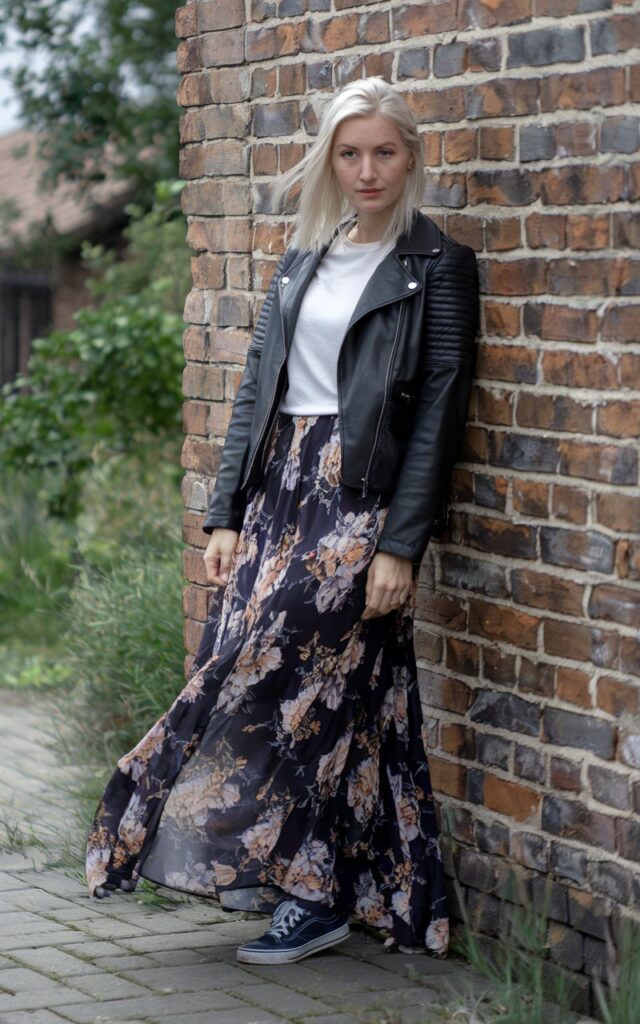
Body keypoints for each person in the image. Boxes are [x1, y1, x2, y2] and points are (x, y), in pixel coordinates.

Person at [85, 76, 479, 967]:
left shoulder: (437, 265)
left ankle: (184, 828)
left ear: (411, 156)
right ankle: (348, 889)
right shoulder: (303, 258)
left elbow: (441, 414)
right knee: (353, 697)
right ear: (329, 162)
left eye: (383, 152)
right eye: (350, 153)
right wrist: (224, 514)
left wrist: (401, 544)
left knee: (272, 677)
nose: (367, 170)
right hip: (277, 494)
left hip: (358, 499)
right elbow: (255, 392)